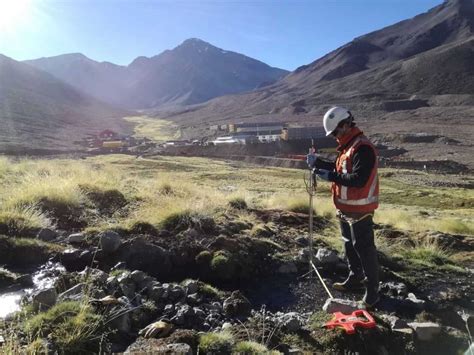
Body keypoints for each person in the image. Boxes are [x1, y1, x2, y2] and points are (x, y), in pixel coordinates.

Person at [307, 106, 380, 307]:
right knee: (349, 245)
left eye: (336, 132)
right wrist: (318, 163)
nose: (334, 136)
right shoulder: (348, 147)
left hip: (361, 210)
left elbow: (358, 179)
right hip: (346, 209)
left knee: (364, 248)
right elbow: (339, 169)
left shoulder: (362, 148)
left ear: (346, 124)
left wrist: (330, 176)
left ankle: (373, 290)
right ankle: (355, 278)